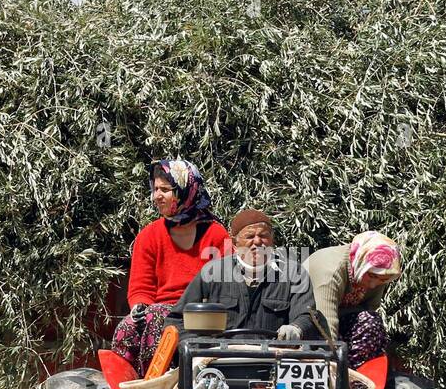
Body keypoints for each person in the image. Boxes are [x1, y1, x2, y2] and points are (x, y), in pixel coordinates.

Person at [111, 160, 230, 375]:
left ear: (186, 191)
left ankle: (156, 385)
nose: (157, 196)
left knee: (159, 318)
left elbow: (226, 286)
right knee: (127, 328)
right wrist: (139, 307)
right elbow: (141, 288)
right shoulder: (149, 235)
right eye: (155, 189)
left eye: (165, 190)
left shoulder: (216, 234)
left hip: (200, 314)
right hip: (157, 311)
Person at [169, 208, 319, 339]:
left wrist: (296, 329)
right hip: (219, 360)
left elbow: (307, 317)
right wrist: (198, 347)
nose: (257, 242)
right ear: (234, 244)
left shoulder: (294, 274)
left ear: (272, 240)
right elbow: (176, 321)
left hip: (275, 359)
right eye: (249, 237)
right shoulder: (213, 272)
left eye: (264, 236)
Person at [304, 232, 402, 367]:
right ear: (361, 261)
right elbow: (326, 328)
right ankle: (342, 376)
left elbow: (369, 310)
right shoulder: (331, 273)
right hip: (312, 325)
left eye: (383, 280)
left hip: (342, 322)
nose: (373, 285)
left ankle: (358, 374)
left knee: (371, 323)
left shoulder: (376, 271)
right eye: (372, 276)